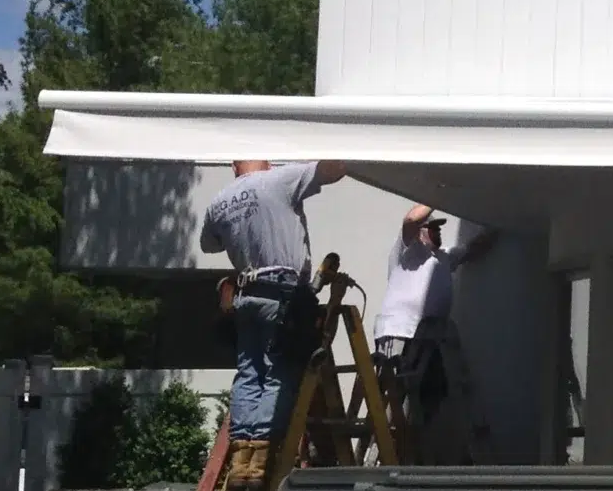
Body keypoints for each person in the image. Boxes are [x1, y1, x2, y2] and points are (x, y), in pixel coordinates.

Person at [200, 159, 347, 442]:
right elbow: (335, 169)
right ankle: (263, 450)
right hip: (281, 291)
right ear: (266, 161)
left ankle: (242, 447)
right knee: (278, 370)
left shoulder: (219, 201)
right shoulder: (278, 178)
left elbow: (209, 245)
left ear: (234, 167)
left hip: (247, 293)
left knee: (249, 372)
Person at [373, 204, 497, 461]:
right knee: (397, 396)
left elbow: (475, 249)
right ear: (420, 232)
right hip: (403, 334)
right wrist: (436, 194)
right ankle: (388, 452)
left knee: (434, 391)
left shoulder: (443, 258)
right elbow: (409, 219)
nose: (437, 232)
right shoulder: (409, 252)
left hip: (432, 337)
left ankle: (415, 450)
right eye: (432, 228)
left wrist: (501, 221)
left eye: (439, 229)